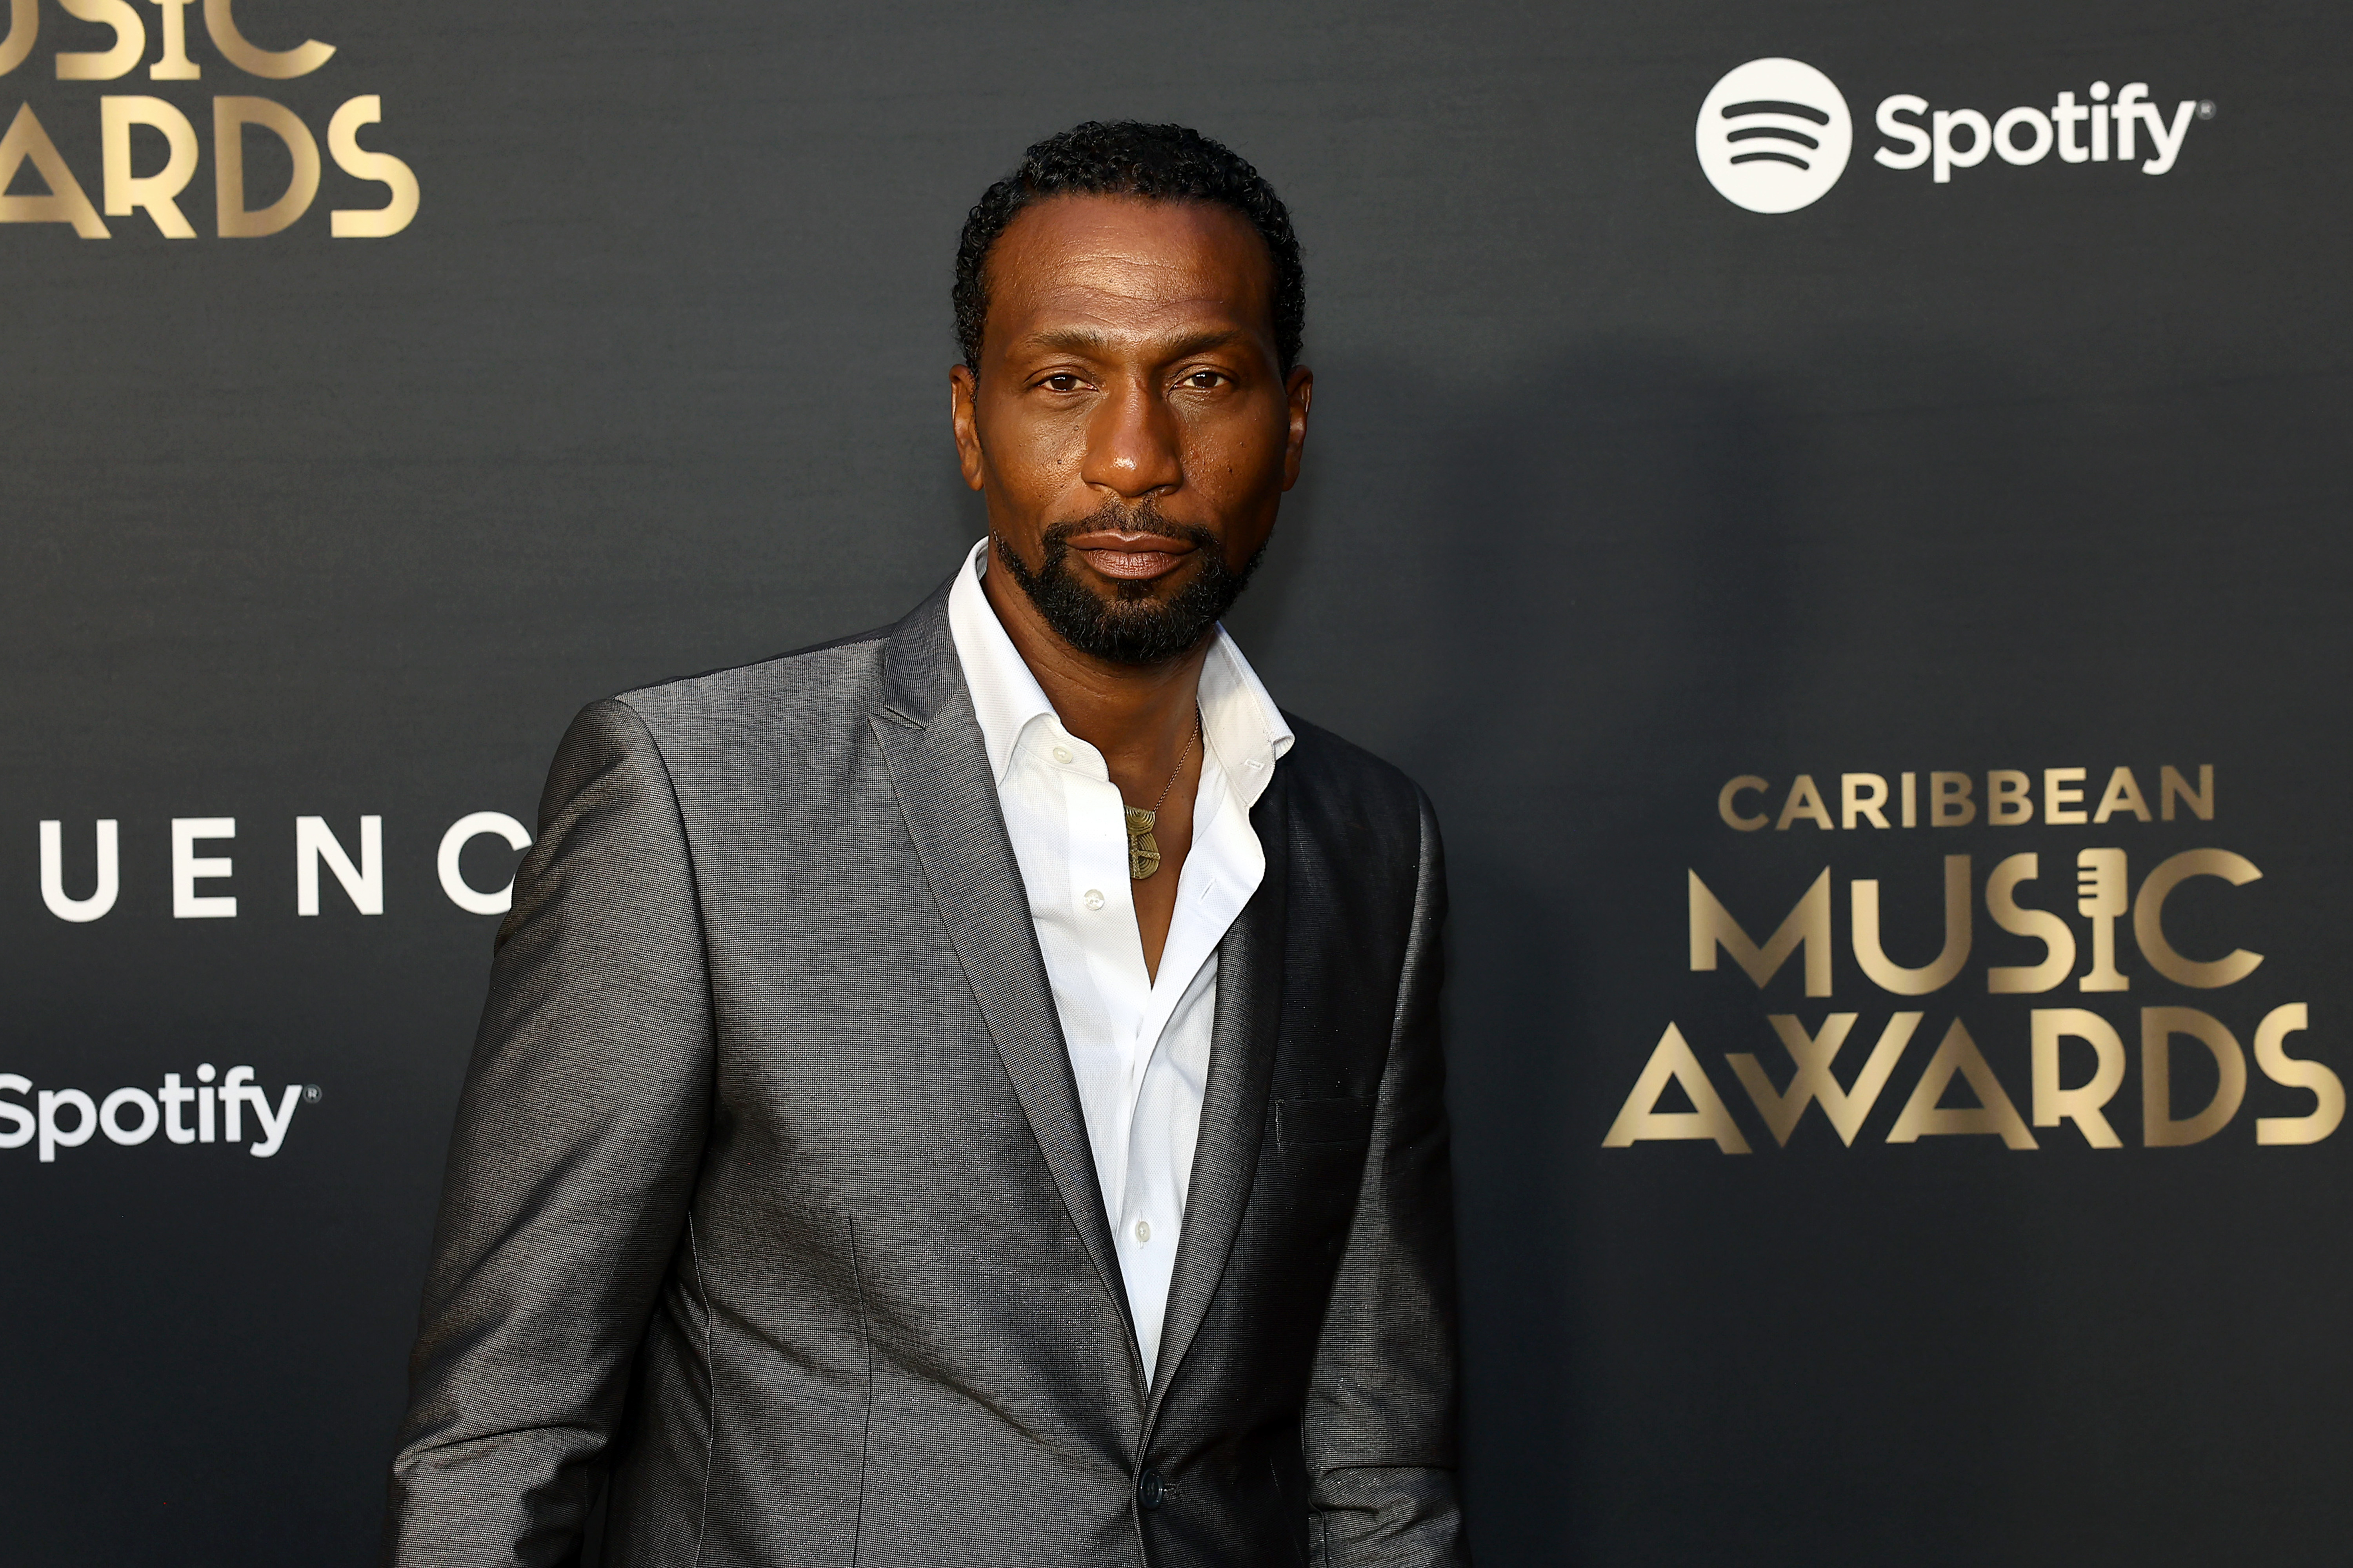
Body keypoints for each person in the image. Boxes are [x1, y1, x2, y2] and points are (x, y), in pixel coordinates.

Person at [384, 120, 1464, 1568]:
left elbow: (1374, 1453)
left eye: (1202, 379)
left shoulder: (1371, 847)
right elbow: (507, 1426)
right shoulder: (696, 795)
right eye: (1064, 382)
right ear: (971, 421)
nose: (1136, 458)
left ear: (1293, 419)